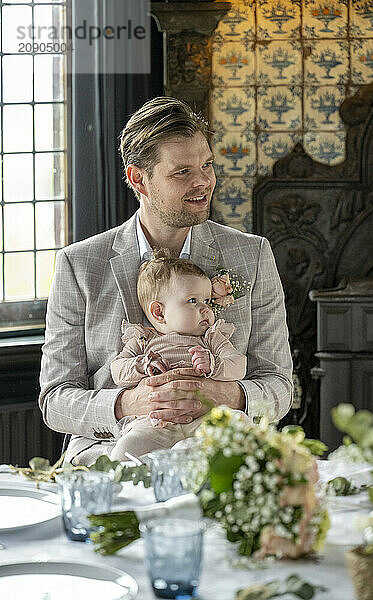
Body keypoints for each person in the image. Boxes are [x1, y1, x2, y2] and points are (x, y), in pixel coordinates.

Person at [39, 96, 293, 466]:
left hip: (222, 453)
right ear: (138, 178)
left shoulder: (252, 256)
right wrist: (130, 403)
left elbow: (280, 385)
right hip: (111, 455)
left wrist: (225, 396)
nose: (203, 182)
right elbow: (54, 400)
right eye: (182, 172)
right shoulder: (78, 265)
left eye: (207, 165)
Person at [109, 250, 247, 460]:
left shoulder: (211, 338)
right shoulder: (143, 340)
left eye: (208, 301)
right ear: (159, 312)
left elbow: (238, 365)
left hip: (205, 420)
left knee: (240, 423)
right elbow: (118, 371)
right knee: (126, 447)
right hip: (155, 423)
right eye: (193, 301)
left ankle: (188, 455)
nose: (205, 309)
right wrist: (142, 364)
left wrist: (213, 364)